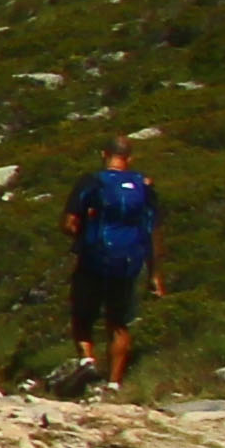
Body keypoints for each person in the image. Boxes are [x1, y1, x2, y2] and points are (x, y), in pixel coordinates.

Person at [64, 139, 165, 386]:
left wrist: (84, 235)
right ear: (129, 158)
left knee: (82, 315)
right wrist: (154, 274)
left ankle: (87, 361)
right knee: (118, 323)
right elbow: (153, 232)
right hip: (129, 262)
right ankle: (114, 384)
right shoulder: (143, 186)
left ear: (104, 154)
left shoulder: (91, 182)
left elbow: (69, 224)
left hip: (94, 259)